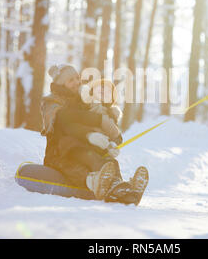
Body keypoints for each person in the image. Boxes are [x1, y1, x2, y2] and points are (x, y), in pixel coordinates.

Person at [40, 64, 148, 205]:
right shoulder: (51, 102)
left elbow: (96, 115)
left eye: (77, 78)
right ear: (61, 83)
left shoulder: (81, 100)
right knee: (91, 160)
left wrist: (109, 141)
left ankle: (125, 190)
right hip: (61, 153)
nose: (76, 82)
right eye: (70, 80)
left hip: (81, 146)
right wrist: (91, 133)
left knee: (107, 160)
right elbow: (66, 120)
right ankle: (106, 185)